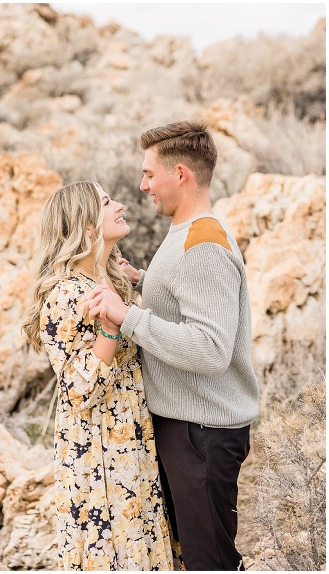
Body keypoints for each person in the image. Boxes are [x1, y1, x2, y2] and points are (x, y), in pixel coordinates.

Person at [85, 120, 260, 570]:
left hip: (203, 433)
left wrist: (129, 317)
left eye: (148, 174)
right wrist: (143, 282)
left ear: (179, 174)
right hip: (188, 428)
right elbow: (188, 304)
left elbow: (209, 349)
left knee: (211, 561)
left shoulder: (203, 242)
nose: (143, 185)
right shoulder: (185, 232)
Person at [22, 181, 177, 570]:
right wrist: (110, 331)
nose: (121, 205)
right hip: (99, 453)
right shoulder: (66, 294)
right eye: (108, 202)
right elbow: (77, 389)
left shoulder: (108, 280)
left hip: (131, 440)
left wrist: (135, 284)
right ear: (87, 227)